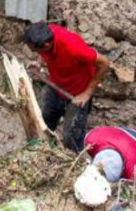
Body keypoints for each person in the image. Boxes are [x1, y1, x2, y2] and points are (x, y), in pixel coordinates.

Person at [23, 22, 111, 152]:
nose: (36, 52)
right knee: (44, 122)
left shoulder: (73, 48)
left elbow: (104, 63)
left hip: (77, 93)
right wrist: (39, 63)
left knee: (71, 137)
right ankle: (44, 152)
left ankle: (75, 163)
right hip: (56, 85)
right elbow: (44, 53)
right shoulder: (46, 33)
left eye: (36, 50)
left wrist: (87, 93)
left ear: (46, 45)